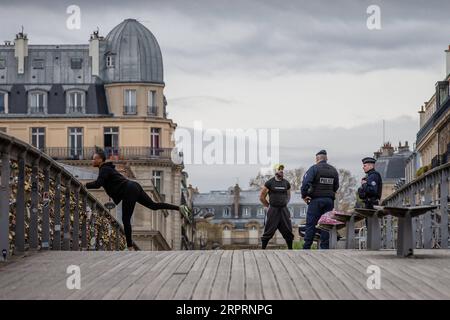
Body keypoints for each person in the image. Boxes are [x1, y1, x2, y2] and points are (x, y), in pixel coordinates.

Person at [85, 149, 192, 250]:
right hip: (134, 186)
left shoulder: (104, 169)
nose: (92, 161)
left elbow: (98, 184)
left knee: (126, 219)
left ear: (100, 160)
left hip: (128, 190)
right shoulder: (107, 168)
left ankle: (130, 247)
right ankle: (179, 208)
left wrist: (85, 185)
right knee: (153, 206)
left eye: (94, 158)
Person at [301, 150, 339, 249]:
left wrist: (304, 195)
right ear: (326, 158)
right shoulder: (333, 170)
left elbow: (305, 184)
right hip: (329, 201)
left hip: (316, 201)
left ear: (317, 159)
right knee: (326, 224)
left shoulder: (314, 168)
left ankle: (306, 247)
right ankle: (324, 248)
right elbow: (336, 186)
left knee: (311, 224)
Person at [259, 164, 294, 249]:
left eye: (282, 169)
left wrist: (285, 203)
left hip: (284, 210)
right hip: (273, 210)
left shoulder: (286, 183)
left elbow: (288, 195)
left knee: (288, 230)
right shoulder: (269, 183)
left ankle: (290, 249)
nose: (281, 171)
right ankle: (263, 249)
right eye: (279, 169)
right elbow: (261, 197)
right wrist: (269, 206)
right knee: (268, 230)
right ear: (275, 171)